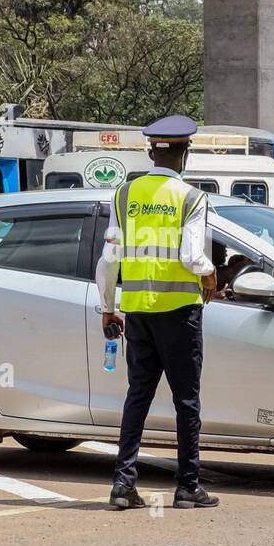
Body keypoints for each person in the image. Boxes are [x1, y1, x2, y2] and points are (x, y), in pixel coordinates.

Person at [96, 115, 219, 510]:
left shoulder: (124, 195)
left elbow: (108, 258)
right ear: (185, 154)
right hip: (180, 312)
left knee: (138, 397)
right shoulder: (191, 198)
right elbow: (191, 255)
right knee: (186, 401)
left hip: (136, 312)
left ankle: (122, 485)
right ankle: (187, 486)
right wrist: (211, 272)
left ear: (151, 151)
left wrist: (107, 308)